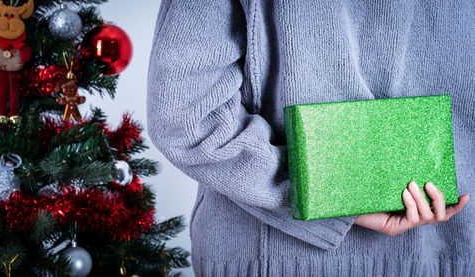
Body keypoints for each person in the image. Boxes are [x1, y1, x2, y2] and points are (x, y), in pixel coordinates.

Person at [146, 0, 473, 276]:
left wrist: (337, 198)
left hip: (270, 256)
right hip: (447, 245)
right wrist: (336, 200)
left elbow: (187, 119)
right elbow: (188, 120)